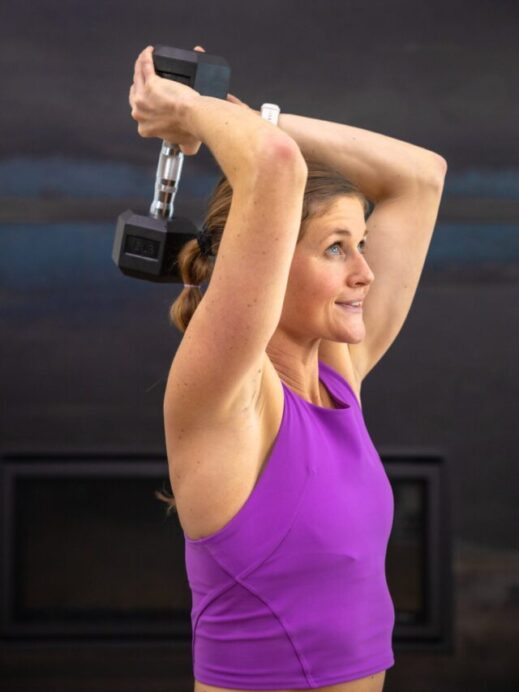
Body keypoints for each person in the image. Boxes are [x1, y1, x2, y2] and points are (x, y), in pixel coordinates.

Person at [130, 44, 447, 692]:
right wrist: (191, 112)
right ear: (269, 260)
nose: (364, 271)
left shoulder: (338, 375)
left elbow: (421, 177)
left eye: (360, 243)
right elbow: (273, 169)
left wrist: (252, 115)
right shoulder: (229, 398)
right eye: (335, 247)